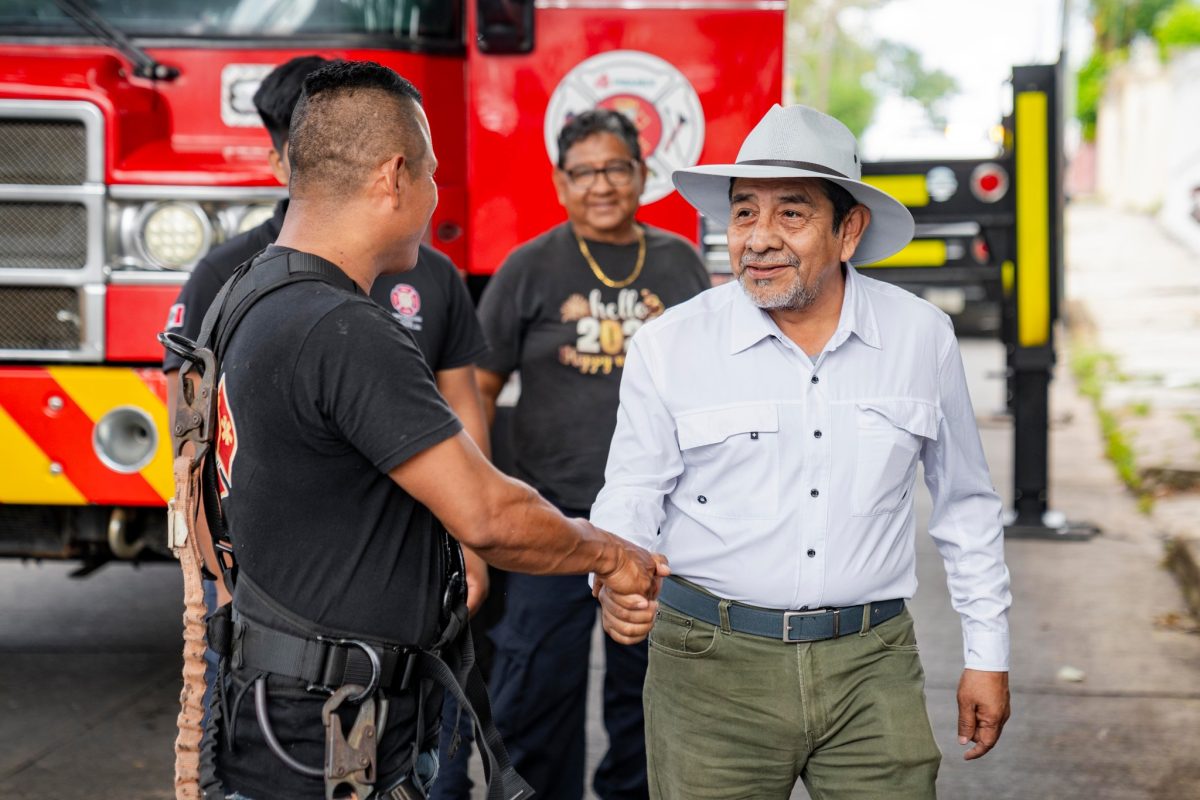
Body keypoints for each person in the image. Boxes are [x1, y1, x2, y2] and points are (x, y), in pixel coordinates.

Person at [200, 60, 666, 799]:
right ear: (394, 177)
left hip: (279, 706)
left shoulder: (247, 292)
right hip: (329, 741)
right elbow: (490, 515)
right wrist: (610, 553)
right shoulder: (344, 329)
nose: (435, 193)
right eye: (433, 174)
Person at [591, 104, 1013, 799]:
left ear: (849, 230)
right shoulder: (671, 344)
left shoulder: (921, 337)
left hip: (872, 667)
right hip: (710, 668)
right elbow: (633, 490)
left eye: (791, 213)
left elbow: (966, 504)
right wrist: (615, 573)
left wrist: (987, 652)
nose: (759, 239)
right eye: (744, 213)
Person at [473, 109, 710, 800]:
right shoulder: (530, 266)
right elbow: (479, 388)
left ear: (642, 174)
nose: (600, 185)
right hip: (550, 523)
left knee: (649, 698)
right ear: (560, 182)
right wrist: (481, 502)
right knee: (534, 693)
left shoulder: (679, 263)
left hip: (656, 526)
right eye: (583, 172)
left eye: (615, 169)